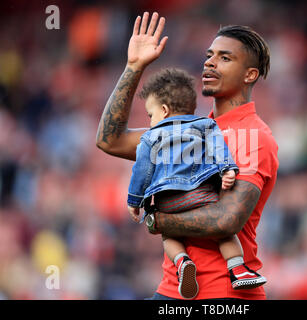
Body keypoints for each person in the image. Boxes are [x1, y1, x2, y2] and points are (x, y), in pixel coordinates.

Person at [96, 12, 279, 300]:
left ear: (250, 75)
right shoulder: (190, 130)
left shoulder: (253, 136)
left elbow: (225, 221)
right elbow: (110, 140)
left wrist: (157, 221)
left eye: (225, 58)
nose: (209, 62)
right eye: (209, 55)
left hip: (224, 294)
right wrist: (134, 67)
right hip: (172, 292)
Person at [126, 68, 266, 299]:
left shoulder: (150, 138)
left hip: (167, 202)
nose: (150, 121)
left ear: (164, 110)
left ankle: (182, 262)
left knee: (169, 236)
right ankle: (238, 268)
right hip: (202, 195)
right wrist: (228, 169)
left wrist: (135, 200)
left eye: (150, 115)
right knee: (224, 235)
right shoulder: (205, 125)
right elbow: (218, 148)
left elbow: (142, 170)